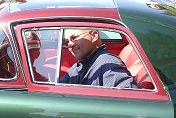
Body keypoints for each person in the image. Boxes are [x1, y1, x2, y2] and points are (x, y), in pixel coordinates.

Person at [59, 29, 138, 88]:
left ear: (94, 36)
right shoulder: (79, 65)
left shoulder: (108, 64)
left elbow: (129, 100)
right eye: (67, 42)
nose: (70, 45)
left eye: (75, 37)